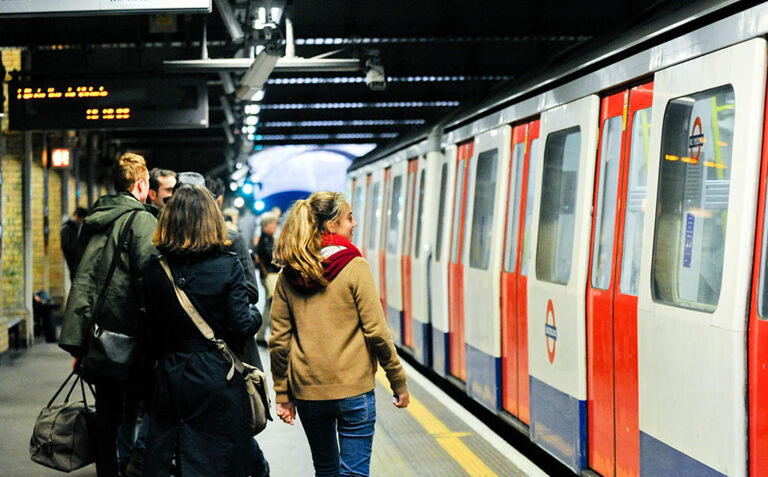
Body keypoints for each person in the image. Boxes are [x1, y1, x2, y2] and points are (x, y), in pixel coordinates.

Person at [269, 191, 410, 477]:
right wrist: (398, 379)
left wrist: (283, 394)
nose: (354, 223)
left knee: (326, 470)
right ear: (331, 226)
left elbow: (279, 342)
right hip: (353, 389)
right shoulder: (355, 266)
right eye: (349, 218)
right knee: (354, 473)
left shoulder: (289, 274)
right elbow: (377, 333)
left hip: (309, 391)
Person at [142, 184, 260, 477]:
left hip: (172, 374)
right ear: (212, 219)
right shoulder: (227, 265)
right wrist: (256, 313)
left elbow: (151, 331)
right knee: (219, 457)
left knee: (174, 452)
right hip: (217, 375)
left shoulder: (155, 269)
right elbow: (242, 326)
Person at [59, 152, 159, 477]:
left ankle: (108, 473)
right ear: (141, 184)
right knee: (150, 408)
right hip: (131, 333)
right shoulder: (142, 220)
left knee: (107, 414)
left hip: (98, 332)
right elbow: (149, 277)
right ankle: (135, 466)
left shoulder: (94, 218)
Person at [255, 212, 279, 344]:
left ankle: (263, 334)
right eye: (274, 223)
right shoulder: (266, 240)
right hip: (270, 276)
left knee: (269, 306)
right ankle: (264, 334)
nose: (275, 226)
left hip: (268, 276)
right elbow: (272, 260)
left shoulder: (266, 239)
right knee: (270, 306)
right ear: (266, 225)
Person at [60, 206, 87, 279]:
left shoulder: (73, 227)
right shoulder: (68, 228)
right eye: (81, 219)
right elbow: (66, 246)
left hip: (75, 260)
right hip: (73, 261)